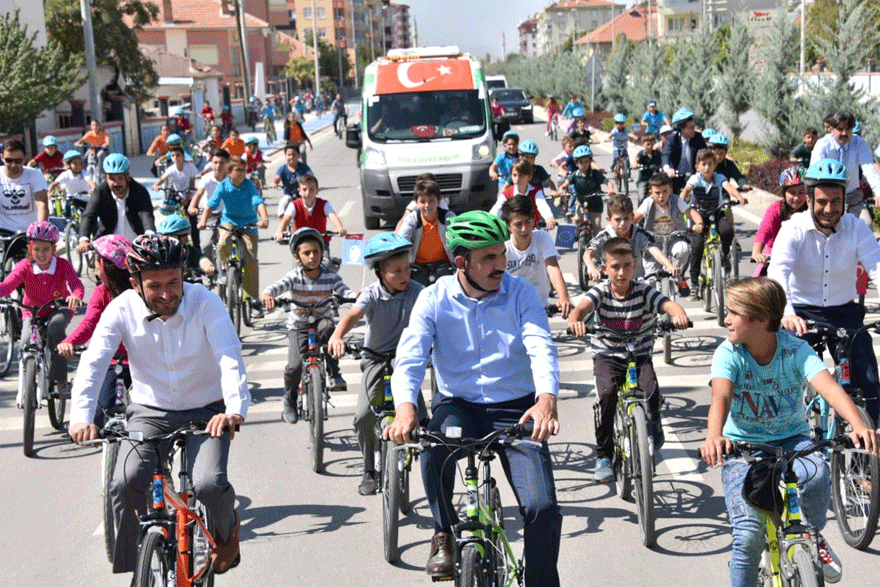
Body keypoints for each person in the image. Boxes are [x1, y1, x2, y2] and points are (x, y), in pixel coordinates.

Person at [384, 210, 563, 587]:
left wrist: (546, 398)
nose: (502, 265)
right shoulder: (433, 299)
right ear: (461, 263)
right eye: (490, 258)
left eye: (502, 254)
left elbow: (540, 347)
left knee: (542, 507)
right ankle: (442, 531)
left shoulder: (521, 293)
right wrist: (404, 410)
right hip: (459, 405)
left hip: (517, 406)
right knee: (435, 445)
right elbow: (411, 357)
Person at [68, 233, 250, 578]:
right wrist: (81, 417)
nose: (167, 294)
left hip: (207, 409)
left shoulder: (205, 302)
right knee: (125, 481)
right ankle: (137, 566)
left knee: (209, 483)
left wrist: (235, 408)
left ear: (184, 276)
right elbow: (94, 363)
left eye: (174, 282)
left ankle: (227, 537)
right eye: (155, 285)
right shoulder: (120, 308)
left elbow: (229, 355)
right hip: (150, 410)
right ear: (135, 283)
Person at [701, 277, 879, 587]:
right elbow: (722, 397)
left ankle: (812, 534)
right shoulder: (729, 353)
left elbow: (829, 388)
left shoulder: (795, 350)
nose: (725, 319)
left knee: (818, 474)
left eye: (733, 312)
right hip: (744, 447)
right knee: (747, 536)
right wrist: (714, 435)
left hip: (793, 440)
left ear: (761, 319)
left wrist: (860, 425)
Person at [768, 158, 880, 425]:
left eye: (835, 201)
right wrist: (787, 313)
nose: (829, 209)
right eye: (821, 202)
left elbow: (876, 266)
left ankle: (869, 450)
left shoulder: (856, 228)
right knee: (788, 386)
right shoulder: (792, 229)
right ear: (808, 200)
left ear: (844, 200)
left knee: (869, 383)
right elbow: (778, 272)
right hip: (801, 314)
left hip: (845, 314)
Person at [569, 237, 689, 482]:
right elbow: (580, 309)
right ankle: (603, 456)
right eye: (615, 267)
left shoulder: (644, 291)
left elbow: (668, 305)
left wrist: (680, 316)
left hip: (639, 354)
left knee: (652, 392)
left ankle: (653, 423)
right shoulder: (600, 291)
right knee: (607, 395)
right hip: (608, 355)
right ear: (604, 268)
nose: (621, 272)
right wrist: (576, 322)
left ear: (634, 266)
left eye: (626, 266)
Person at [327, 233, 427, 495]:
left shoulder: (416, 291)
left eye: (407, 268)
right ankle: (369, 469)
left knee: (424, 417)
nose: (405, 275)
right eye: (397, 271)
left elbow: (435, 310)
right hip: (374, 357)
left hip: (406, 359)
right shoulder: (371, 294)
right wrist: (338, 336)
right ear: (380, 273)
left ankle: (429, 462)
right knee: (362, 416)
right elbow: (353, 315)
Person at [261, 227, 353, 422]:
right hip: (299, 326)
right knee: (293, 367)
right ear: (297, 257)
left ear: (322, 253)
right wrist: (268, 295)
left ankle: (333, 370)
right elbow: (276, 287)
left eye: (316, 252)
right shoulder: (294, 277)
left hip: (322, 321)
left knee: (330, 328)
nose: (312, 256)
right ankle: (290, 399)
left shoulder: (330, 276)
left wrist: (356, 296)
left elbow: (344, 291)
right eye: (306, 253)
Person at [0, 220, 83, 400]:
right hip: (32, 311)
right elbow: (7, 286)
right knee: (24, 342)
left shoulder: (62, 264)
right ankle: (29, 374)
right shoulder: (24, 266)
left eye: (45, 249)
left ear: (53, 249)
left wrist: (76, 295)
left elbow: (76, 284)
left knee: (55, 330)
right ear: (30, 248)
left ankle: (61, 382)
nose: (41, 254)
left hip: (58, 308)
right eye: (36, 249)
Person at [57, 235, 132, 427]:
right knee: (97, 417)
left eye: (97, 265)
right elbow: (89, 323)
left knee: (147, 414)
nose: (95, 270)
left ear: (108, 268)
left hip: (140, 361)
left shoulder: (139, 292)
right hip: (111, 360)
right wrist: (70, 341)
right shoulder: (100, 293)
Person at [680, 149, 744, 300]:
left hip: (716, 211)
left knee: (727, 231)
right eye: (704, 164)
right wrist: (681, 201)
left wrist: (739, 196)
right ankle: (694, 284)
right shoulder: (695, 179)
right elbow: (687, 191)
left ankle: (726, 256)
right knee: (697, 246)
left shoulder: (719, 177)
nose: (707, 167)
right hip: (699, 215)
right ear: (698, 167)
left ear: (715, 165)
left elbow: (728, 187)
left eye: (710, 164)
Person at [585, 193, 680, 282]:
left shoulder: (639, 234)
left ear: (632, 217)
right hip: (612, 285)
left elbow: (654, 250)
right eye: (618, 219)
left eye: (626, 218)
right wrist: (591, 266)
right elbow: (588, 252)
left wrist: (669, 266)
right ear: (609, 220)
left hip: (636, 284)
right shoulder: (605, 236)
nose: (622, 223)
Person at [634, 173, 701, 295]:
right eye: (657, 193)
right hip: (653, 242)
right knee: (650, 280)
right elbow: (637, 217)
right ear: (651, 193)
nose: (661, 196)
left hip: (674, 238)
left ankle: (677, 277)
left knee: (684, 249)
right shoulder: (648, 203)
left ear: (670, 189)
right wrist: (628, 227)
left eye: (665, 191)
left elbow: (690, 212)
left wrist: (699, 223)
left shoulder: (676, 200)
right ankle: (652, 309)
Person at [501, 196, 571, 314]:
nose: (524, 229)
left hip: (538, 305)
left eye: (528, 222)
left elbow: (553, 268)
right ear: (508, 225)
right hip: (510, 309)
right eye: (518, 224)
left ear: (534, 219)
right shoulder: (503, 247)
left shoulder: (542, 237)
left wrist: (564, 298)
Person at [810, 110, 880, 227]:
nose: (844, 133)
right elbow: (815, 172)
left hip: (852, 196)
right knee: (831, 228)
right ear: (831, 129)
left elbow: (869, 168)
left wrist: (878, 191)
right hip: (829, 195)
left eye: (848, 129)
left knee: (865, 224)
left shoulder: (859, 143)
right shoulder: (822, 145)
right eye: (840, 129)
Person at [78, 154, 155, 253]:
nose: (116, 183)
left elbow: (146, 215)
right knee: (98, 267)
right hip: (108, 247)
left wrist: (150, 235)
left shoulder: (139, 191)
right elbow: (89, 215)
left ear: (128, 176)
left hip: (135, 247)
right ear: (106, 178)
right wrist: (84, 239)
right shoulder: (101, 191)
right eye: (112, 178)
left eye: (120, 178)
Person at [274, 174, 348, 265]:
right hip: (300, 242)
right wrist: (279, 231)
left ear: (317, 191)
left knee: (326, 264)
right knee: (298, 267)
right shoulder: (294, 205)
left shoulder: (324, 204)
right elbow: (286, 218)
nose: (308, 192)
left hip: (321, 242)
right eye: (304, 189)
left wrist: (340, 228)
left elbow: (332, 216)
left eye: (312, 189)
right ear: (299, 191)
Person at [396, 179, 456, 286]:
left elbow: (458, 241)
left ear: (439, 201)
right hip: (417, 268)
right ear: (416, 203)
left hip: (445, 267)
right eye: (422, 201)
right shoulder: (412, 219)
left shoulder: (448, 217)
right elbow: (401, 241)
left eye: (431, 200)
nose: (427, 205)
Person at [751, 167, 808, 277]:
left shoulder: (811, 210)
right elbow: (764, 231)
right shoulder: (775, 209)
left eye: (801, 192)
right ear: (784, 193)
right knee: (757, 289)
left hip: (803, 256)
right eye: (792, 192)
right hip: (774, 254)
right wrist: (757, 252)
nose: (797, 197)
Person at [1, 140, 49, 244]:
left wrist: (39, 232)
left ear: (25, 159)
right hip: (3, 230)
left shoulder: (35, 174)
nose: (13, 165)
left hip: (28, 231)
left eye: (18, 161)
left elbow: (42, 205)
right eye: (9, 160)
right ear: (2, 158)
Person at [557, 145, 615, 229]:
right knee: (577, 221)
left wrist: (611, 189)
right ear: (576, 163)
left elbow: (608, 182)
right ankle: (577, 237)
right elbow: (564, 185)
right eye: (581, 162)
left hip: (596, 206)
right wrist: (561, 190)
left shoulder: (595, 174)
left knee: (597, 227)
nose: (584, 164)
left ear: (590, 161)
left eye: (586, 161)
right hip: (581, 203)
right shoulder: (575, 175)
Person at [490, 159, 556, 230]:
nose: (517, 179)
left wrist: (549, 217)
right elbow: (496, 210)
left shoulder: (536, 191)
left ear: (529, 177)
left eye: (521, 176)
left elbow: (542, 205)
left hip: (533, 232)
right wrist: (489, 221)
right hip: (513, 235)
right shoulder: (507, 193)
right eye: (514, 175)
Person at [662, 107, 707, 193]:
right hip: (675, 176)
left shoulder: (698, 138)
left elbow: (704, 154)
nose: (694, 130)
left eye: (694, 127)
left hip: (694, 177)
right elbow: (666, 155)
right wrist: (668, 168)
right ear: (682, 129)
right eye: (690, 128)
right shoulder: (672, 139)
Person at [157, 214, 216, 278]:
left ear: (183, 238)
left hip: (189, 284)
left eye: (170, 236)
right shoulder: (159, 253)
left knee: (198, 285)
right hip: (168, 285)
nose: (165, 240)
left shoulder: (189, 251)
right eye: (163, 237)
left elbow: (201, 259)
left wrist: (208, 266)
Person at [272, 143, 314, 217]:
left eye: (294, 155)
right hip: (288, 195)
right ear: (285, 156)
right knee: (282, 204)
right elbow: (276, 179)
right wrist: (275, 183)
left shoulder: (304, 167)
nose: (291, 157)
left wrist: (309, 182)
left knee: (310, 207)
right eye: (289, 155)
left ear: (299, 156)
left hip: (302, 195)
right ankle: (282, 225)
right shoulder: (282, 168)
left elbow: (311, 176)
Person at [189, 148, 230, 221]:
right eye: (215, 163)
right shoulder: (206, 178)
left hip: (228, 215)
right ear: (211, 164)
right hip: (210, 213)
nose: (218, 166)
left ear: (227, 164)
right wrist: (192, 207)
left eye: (221, 163)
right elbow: (199, 194)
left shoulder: (232, 179)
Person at [634, 133, 662, 204]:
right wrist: (635, 164)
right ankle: (640, 212)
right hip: (643, 180)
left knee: (660, 195)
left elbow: (663, 161)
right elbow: (636, 159)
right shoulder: (641, 153)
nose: (650, 146)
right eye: (648, 144)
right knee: (641, 197)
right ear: (643, 144)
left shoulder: (657, 154)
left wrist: (662, 168)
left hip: (655, 179)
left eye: (652, 144)